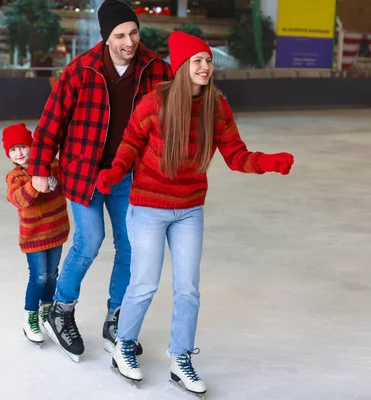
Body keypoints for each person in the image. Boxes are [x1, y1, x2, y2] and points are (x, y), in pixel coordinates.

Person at [96, 32, 294, 394]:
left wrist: (267, 162)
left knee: (188, 289)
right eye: (198, 61)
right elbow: (130, 143)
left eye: (208, 60)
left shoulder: (216, 107)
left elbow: (237, 156)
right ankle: (123, 345)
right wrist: (114, 171)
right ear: (182, 66)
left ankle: (181, 356)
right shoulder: (155, 103)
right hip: (148, 207)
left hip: (189, 210)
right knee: (144, 283)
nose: (206, 67)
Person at [27, 0, 172, 361]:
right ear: (106, 37)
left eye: (134, 33)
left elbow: (180, 110)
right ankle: (61, 310)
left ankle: (116, 318)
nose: (129, 41)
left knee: (131, 247)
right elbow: (50, 125)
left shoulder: (156, 69)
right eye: (120, 35)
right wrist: (40, 169)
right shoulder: (81, 71)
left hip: (129, 176)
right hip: (84, 174)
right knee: (89, 241)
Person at [3, 123, 70, 345]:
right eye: (13, 150)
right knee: (39, 276)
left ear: (33, 146)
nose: (19, 153)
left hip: (56, 230)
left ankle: (46, 311)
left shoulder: (52, 165)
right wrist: (36, 183)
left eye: (22, 146)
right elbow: (19, 199)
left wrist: (54, 179)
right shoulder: (15, 176)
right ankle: (30, 316)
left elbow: (64, 184)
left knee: (52, 274)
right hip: (33, 237)